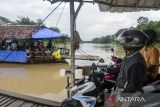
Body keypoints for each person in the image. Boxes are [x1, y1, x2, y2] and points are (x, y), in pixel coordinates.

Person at [105, 29, 148, 107]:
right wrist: (106, 69)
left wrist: (119, 98)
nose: (123, 45)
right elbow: (119, 70)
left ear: (134, 43)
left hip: (130, 94)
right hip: (121, 90)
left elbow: (133, 87)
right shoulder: (128, 57)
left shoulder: (137, 63)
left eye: (125, 42)